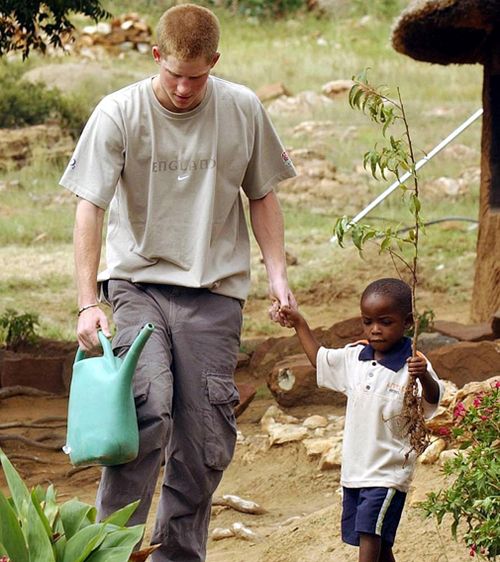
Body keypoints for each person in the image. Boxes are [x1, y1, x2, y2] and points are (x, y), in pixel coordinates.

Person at [60, 4, 297, 561]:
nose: (186, 89)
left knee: (203, 442)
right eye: (175, 75)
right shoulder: (118, 112)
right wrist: (86, 302)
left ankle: (176, 555)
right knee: (146, 410)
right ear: (156, 56)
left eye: (198, 77)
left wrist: (277, 272)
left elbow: (262, 195)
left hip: (215, 295)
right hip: (136, 284)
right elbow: (89, 208)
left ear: (215, 62)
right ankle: (110, 551)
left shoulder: (242, 109)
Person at [280, 278, 443, 562]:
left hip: (388, 473)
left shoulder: (413, 363)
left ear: (407, 322)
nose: (375, 329)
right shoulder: (355, 357)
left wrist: (424, 375)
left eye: (385, 321)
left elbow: (432, 400)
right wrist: (299, 324)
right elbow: (320, 359)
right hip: (356, 471)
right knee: (380, 545)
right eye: (368, 322)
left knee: (370, 536)